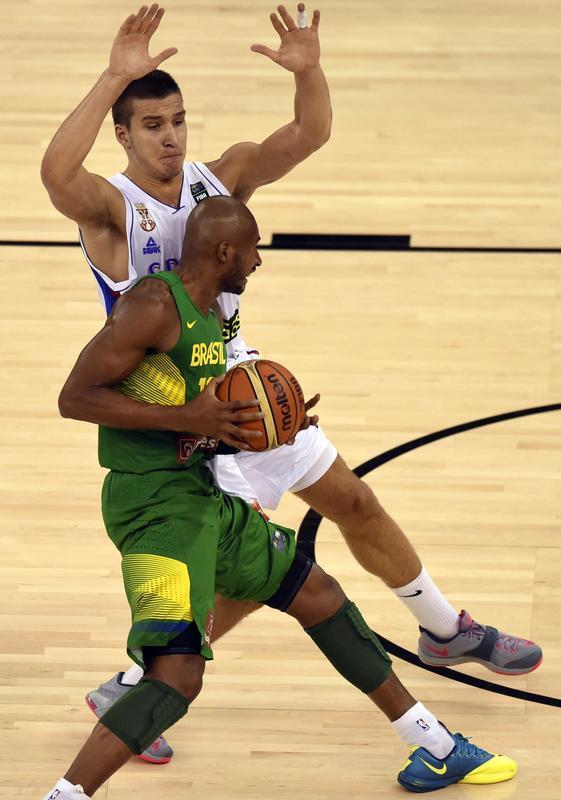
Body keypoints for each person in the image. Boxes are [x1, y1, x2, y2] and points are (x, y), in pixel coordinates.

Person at [40, 2, 541, 767]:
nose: (170, 136)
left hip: (246, 389)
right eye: (151, 125)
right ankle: (135, 685)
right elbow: (54, 175)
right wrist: (112, 76)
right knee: (260, 575)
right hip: (182, 416)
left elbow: (307, 134)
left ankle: (443, 629)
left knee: (353, 501)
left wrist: (308, 72)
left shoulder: (219, 179)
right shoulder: (113, 211)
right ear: (123, 134)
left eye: (178, 121)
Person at [41, 197, 517, 799]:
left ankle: (437, 748)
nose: (258, 260)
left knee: (317, 592)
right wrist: (189, 417)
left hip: (197, 494)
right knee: (178, 675)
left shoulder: (209, 318)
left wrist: (260, 426)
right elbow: (75, 397)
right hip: (152, 509)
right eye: (253, 249)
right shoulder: (154, 305)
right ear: (224, 252)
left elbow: (196, 420)